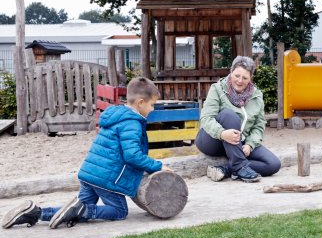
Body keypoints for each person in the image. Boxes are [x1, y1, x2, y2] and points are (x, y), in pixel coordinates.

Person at [2, 77, 170, 229]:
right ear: (141, 103)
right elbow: (132, 155)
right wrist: (157, 165)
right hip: (106, 178)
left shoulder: (117, 115)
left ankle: (35, 213)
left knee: (76, 208)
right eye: (152, 104)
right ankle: (81, 211)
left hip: (90, 174)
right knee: (119, 211)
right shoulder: (132, 123)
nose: (153, 108)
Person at [196, 55, 281, 183]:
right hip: (212, 140)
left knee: (273, 164)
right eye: (237, 76)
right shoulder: (217, 89)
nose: (240, 81)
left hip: (239, 142)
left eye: (245, 77)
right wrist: (222, 133)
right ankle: (240, 167)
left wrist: (250, 145)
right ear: (231, 72)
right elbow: (206, 118)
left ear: (250, 78)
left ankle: (227, 169)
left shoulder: (257, 96)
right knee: (229, 115)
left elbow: (259, 125)